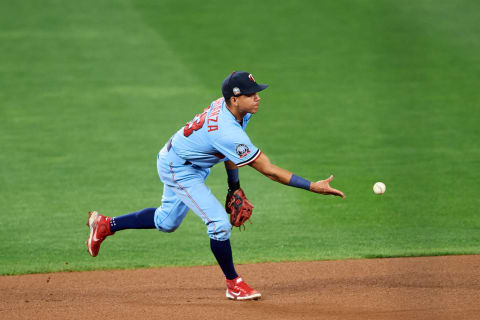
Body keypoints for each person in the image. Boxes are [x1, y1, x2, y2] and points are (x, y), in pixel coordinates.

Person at [86, 71, 345, 301]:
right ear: (234, 98)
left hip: (184, 160)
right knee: (219, 223)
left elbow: (228, 152)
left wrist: (234, 187)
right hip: (178, 168)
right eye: (251, 94)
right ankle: (233, 284)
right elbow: (269, 171)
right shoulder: (225, 128)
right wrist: (313, 186)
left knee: (167, 222)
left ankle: (106, 225)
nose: (257, 97)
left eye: (256, 93)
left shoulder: (234, 111)